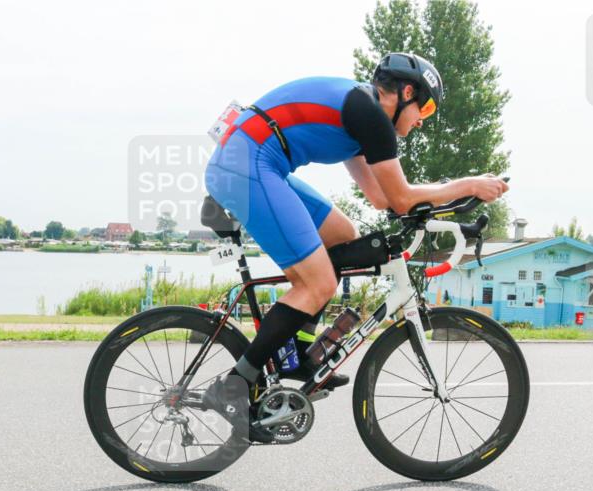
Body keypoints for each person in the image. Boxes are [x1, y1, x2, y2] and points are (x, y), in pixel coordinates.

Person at [202, 52, 509, 437]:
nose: (422, 120)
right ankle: (234, 385)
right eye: (424, 108)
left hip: (258, 161)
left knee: (342, 237)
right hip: (246, 164)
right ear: (406, 92)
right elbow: (400, 199)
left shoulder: (362, 117)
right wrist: (469, 184)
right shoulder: (370, 115)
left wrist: (448, 208)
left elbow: (382, 199)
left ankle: (296, 355)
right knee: (318, 284)